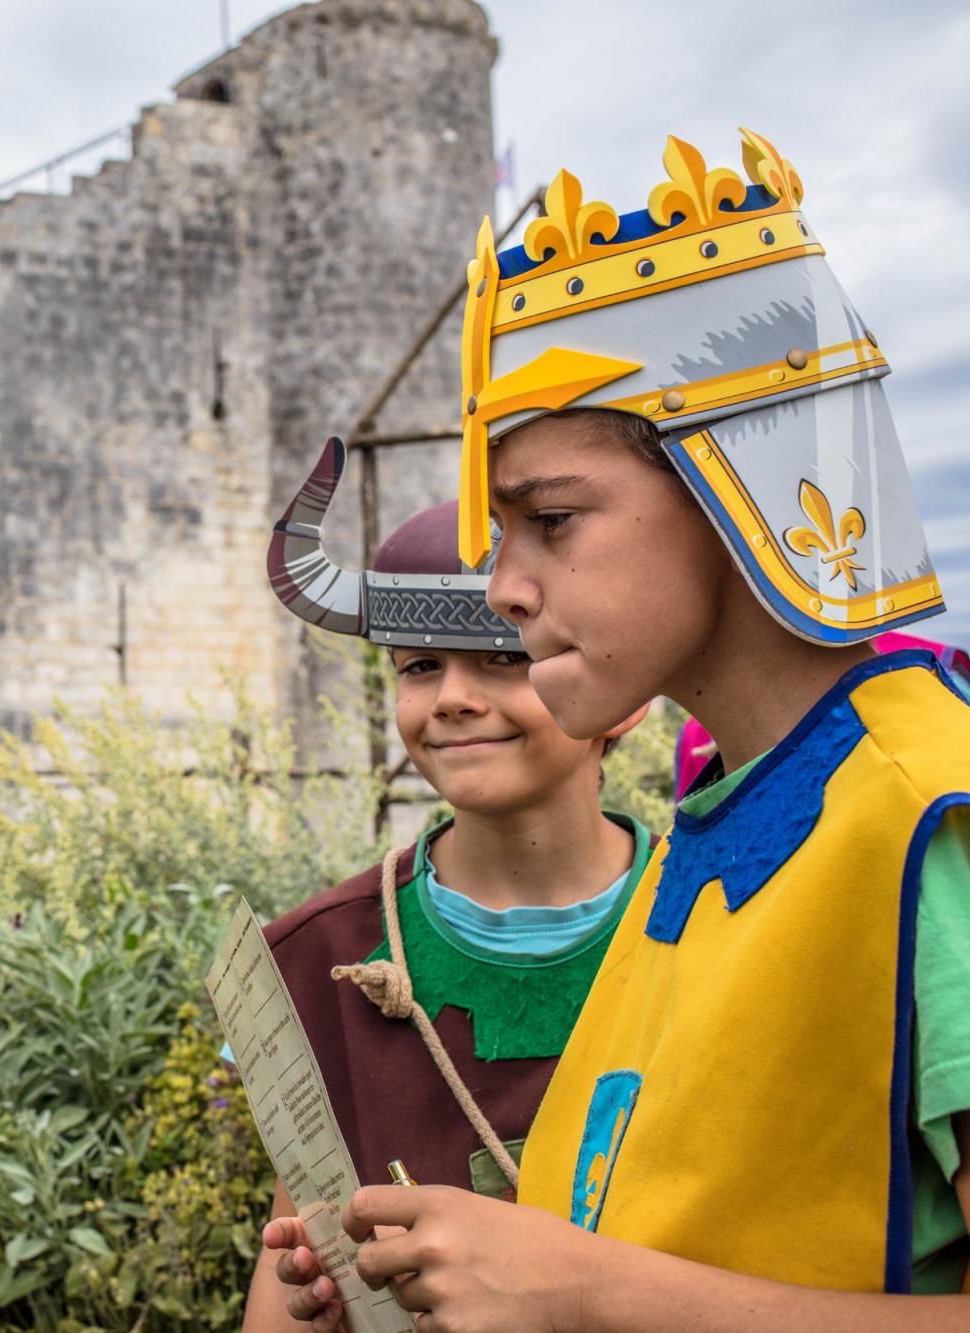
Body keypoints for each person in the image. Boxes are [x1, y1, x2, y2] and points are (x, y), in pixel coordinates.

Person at [276, 127, 970, 1328]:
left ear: (731, 486)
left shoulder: (927, 815)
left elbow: (608, 1288)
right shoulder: (708, 831)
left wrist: (579, 1291)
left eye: (550, 519)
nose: (500, 586)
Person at [243, 444, 651, 1330]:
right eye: (420, 667)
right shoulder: (316, 957)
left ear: (623, 697)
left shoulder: (715, 917)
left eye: (504, 660)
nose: (453, 698)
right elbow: (287, 1276)